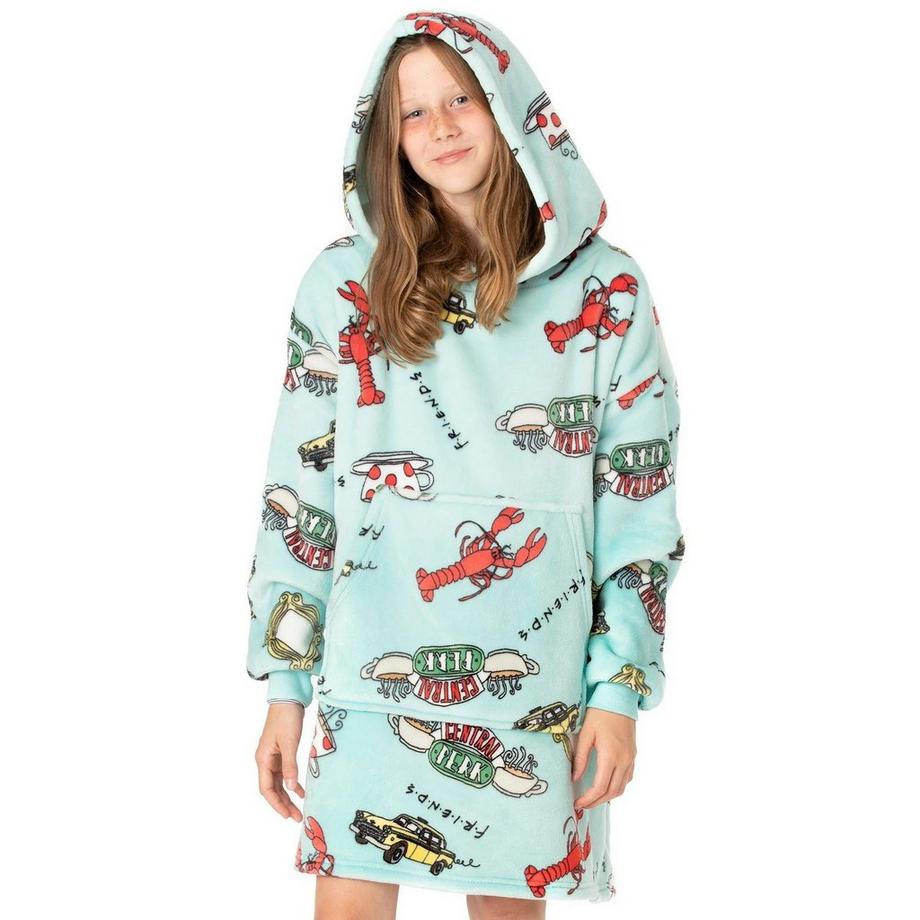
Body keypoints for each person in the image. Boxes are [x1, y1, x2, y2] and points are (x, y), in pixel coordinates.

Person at [246, 10, 685, 919]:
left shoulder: (608, 290)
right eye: (412, 112)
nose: (440, 127)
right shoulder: (343, 286)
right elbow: (300, 493)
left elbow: (638, 511)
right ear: (386, 137)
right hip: (367, 680)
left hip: (539, 686)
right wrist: (285, 685)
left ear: (509, 106)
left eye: (461, 100)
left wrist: (619, 689)